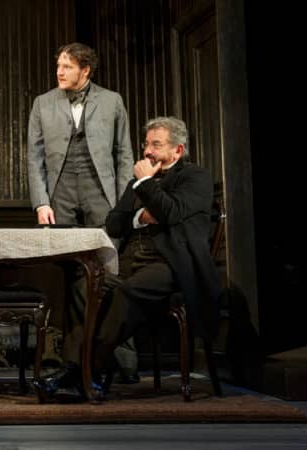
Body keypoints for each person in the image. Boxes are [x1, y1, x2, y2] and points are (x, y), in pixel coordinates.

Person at [27, 42, 134, 395]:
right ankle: (72, 361)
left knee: (105, 273)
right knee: (71, 274)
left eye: (67, 66)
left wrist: (122, 203)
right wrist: (41, 202)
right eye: (58, 65)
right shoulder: (43, 103)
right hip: (60, 194)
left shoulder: (112, 100)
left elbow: (123, 155)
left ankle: (107, 359)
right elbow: (34, 158)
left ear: (86, 70)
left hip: (100, 192)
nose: (59, 71)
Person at [92, 116, 222, 392]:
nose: (148, 151)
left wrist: (147, 184)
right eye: (146, 144)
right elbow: (115, 223)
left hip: (170, 265)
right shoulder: (137, 182)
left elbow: (171, 212)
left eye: (157, 145)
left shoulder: (195, 177)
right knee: (85, 286)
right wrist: (140, 216)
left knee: (127, 290)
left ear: (178, 150)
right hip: (129, 262)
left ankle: (88, 368)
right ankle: (76, 367)